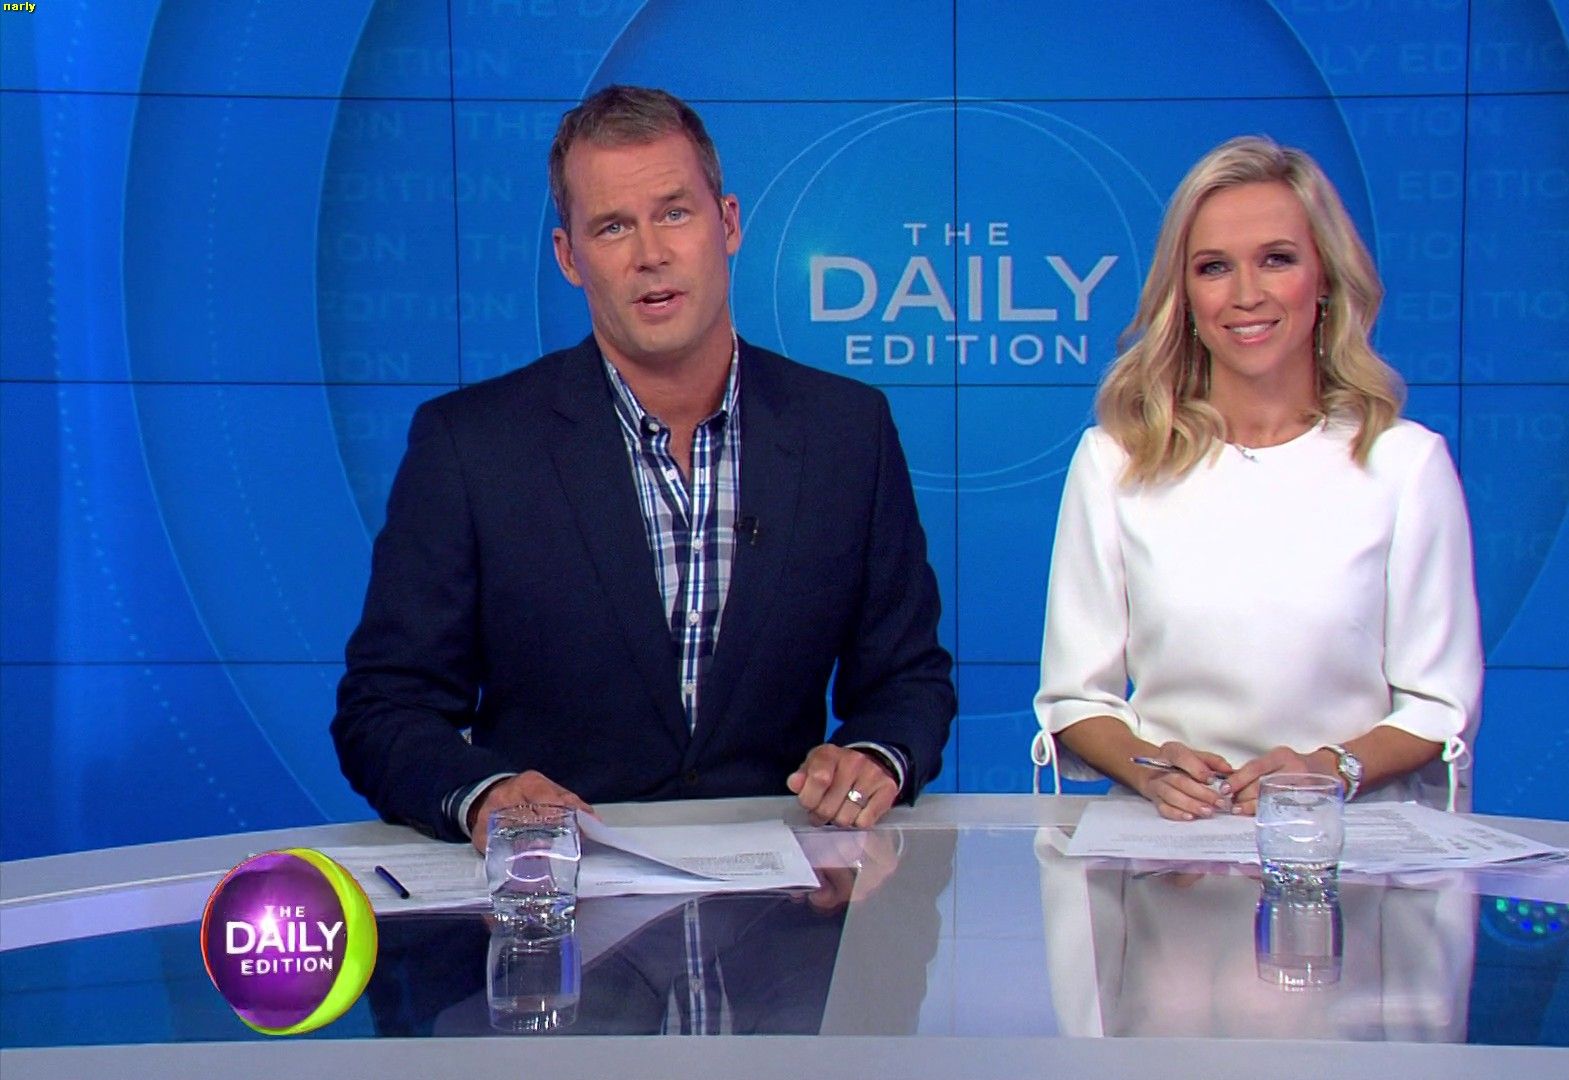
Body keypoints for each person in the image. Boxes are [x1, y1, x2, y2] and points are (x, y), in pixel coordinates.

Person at [332, 86, 954, 848]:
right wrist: (487, 795)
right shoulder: (472, 447)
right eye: (613, 226)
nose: (650, 254)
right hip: (558, 894)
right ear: (569, 257)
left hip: (786, 889)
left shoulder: (846, 432)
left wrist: (874, 756)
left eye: (675, 213)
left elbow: (907, 680)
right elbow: (385, 709)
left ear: (729, 223)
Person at [1031, 135, 1481, 821]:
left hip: (1346, 849)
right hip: (1170, 847)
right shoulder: (1117, 461)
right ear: (1184, 294)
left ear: (1324, 278)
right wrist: (1150, 769)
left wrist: (1327, 770)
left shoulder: (1404, 464)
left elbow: (1438, 706)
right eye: (1214, 267)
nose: (1246, 295)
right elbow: (1074, 699)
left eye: (1277, 259)